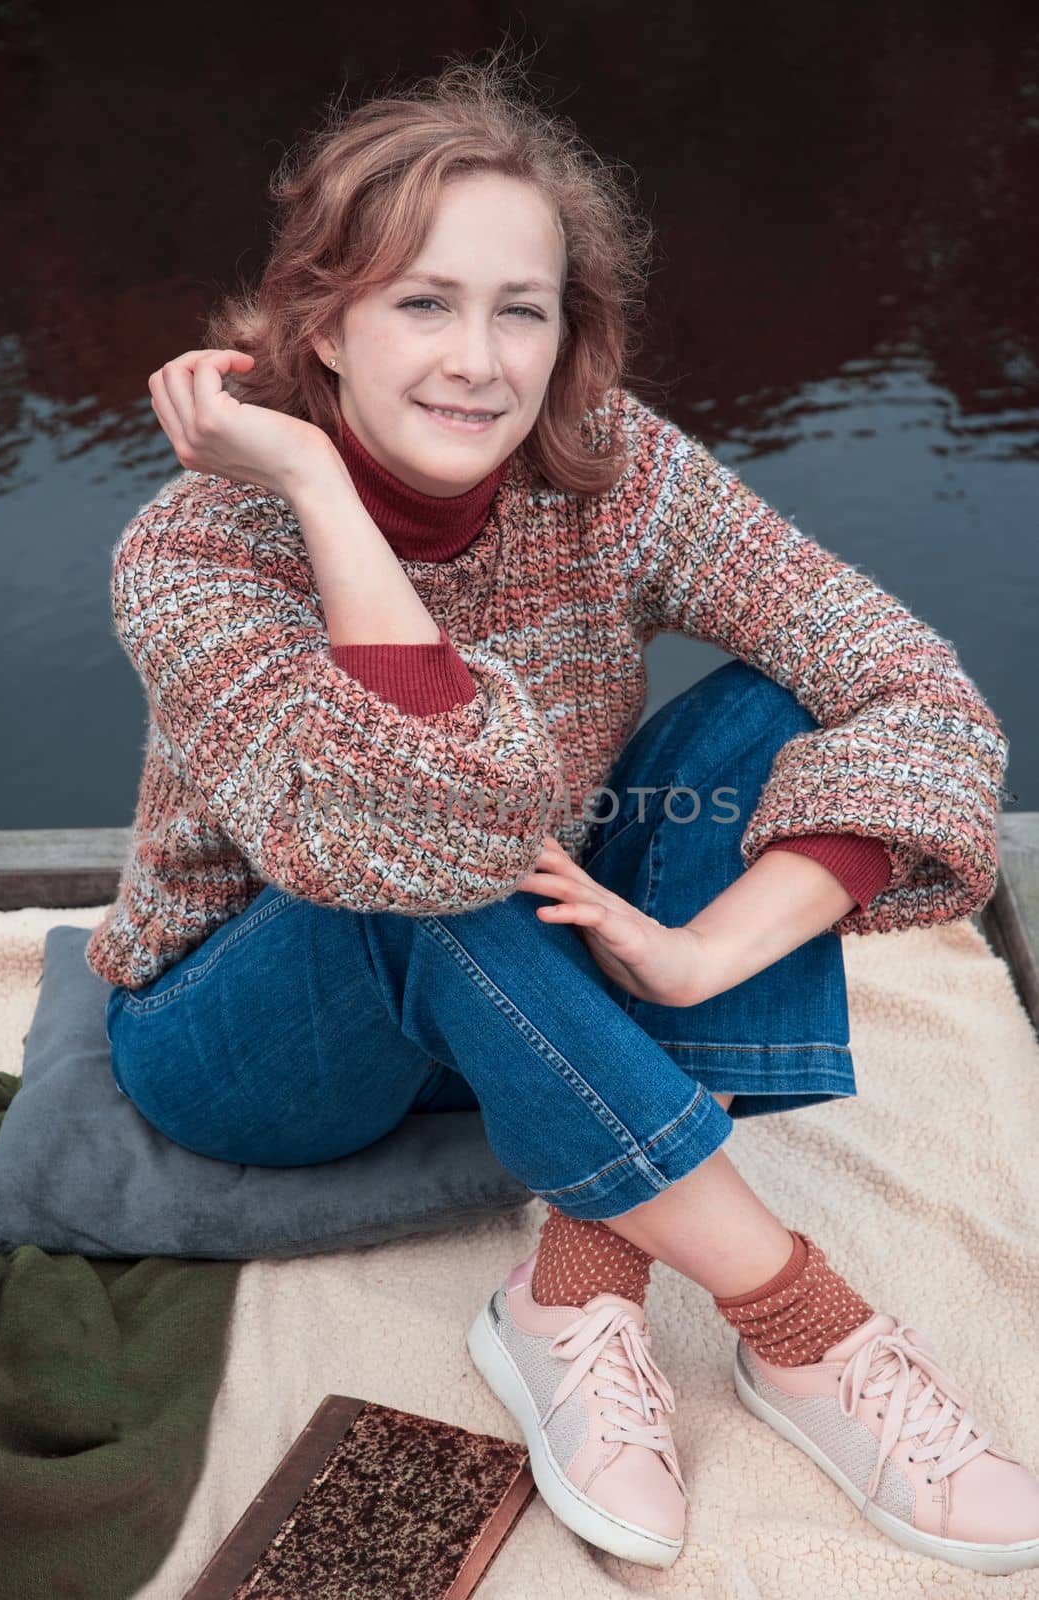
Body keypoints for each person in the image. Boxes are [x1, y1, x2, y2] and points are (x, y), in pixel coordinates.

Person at [86, 47, 1037, 1577]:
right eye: (421, 302)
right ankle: (803, 1328)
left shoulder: (615, 472)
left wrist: (709, 947)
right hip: (252, 1032)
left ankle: (576, 1285)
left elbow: (916, 690)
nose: (478, 359)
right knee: (419, 868)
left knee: (778, 712)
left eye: (518, 309)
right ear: (318, 322)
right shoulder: (195, 548)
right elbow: (407, 832)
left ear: (566, 331)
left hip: (516, 952)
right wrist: (323, 492)